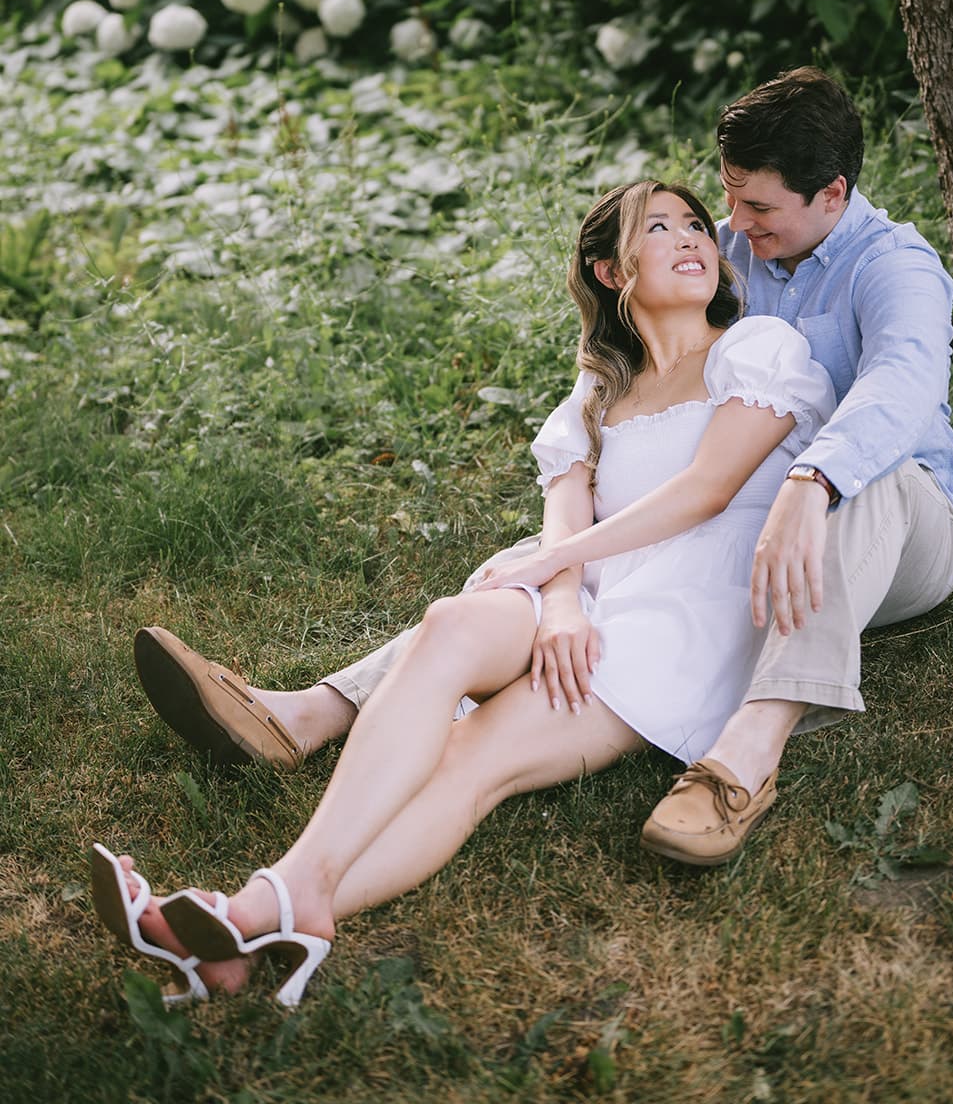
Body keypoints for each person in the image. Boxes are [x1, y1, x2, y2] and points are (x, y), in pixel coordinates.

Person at [132, 68, 953, 871]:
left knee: (862, 484)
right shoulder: (728, 243)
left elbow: (900, 388)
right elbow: (628, 355)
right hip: (746, 524)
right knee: (570, 548)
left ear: (831, 194)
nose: (728, 225)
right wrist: (578, 478)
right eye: (724, 197)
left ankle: (751, 745)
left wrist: (811, 481)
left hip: (892, 530)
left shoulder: (891, 266)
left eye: (754, 206)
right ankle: (311, 713)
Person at [94, 178, 834, 1005]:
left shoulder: (756, 350)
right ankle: (265, 917)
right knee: (449, 626)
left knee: (471, 756)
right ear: (609, 271)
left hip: (686, 615)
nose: (693, 237)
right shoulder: (594, 397)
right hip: (587, 588)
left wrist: (548, 572)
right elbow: (562, 527)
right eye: (658, 227)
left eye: (696, 224)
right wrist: (554, 602)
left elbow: (708, 488)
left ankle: (261, 911)